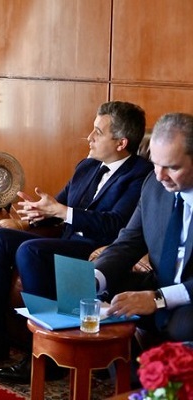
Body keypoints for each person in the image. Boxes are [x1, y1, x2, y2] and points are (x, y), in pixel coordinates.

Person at [0, 101, 153, 383]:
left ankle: (48, 353)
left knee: (31, 250)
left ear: (121, 143)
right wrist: (39, 213)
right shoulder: (86, 167)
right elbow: (59, 207)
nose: (89, 137)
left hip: (98, 253)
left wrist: (61, 212)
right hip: (65, 242)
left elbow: (117, 224)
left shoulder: (142, 175)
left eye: (98, 132)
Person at [93, 112, 193, 359]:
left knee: (182, 326)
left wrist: (159, 299)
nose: (160, 175)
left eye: (172, 167)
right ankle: (128, 377)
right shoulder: (153, 185)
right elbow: (129, 241)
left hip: (187, 294)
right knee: (100, 294)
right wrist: (94, 277)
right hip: (159, 283)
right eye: (156, 163)